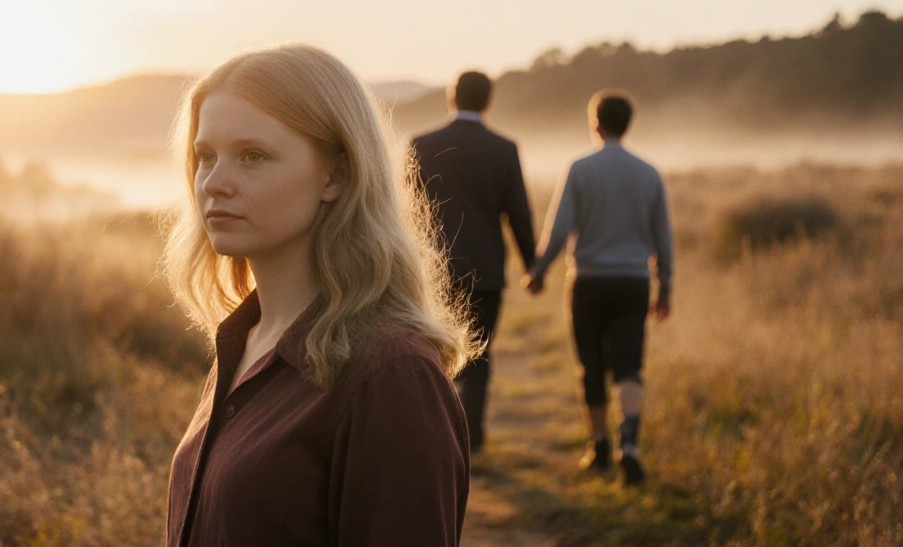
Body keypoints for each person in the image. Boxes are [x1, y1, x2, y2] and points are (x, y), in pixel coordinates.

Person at [162, 44, 480, 547]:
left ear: (336, 174)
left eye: (253, 156)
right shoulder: (245, 339)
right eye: (205, 157)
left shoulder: (390, 374)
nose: (214, 183)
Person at [524, 88, 673, 487]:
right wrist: (666, 289)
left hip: (588, 281)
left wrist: (538, 271)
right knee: (628, 365)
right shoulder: (649, 172)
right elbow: (664, 237)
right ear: (628, 124)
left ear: (595, 122)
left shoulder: (580, 167)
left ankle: (598, 446)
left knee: (590, 366)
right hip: (633, 283)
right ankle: (630, 442)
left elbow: (559, 227)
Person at [412, 71, 537, 453]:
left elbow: (404, 211)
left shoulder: (421, 144)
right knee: (479, 354)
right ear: (488, 101)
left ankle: (437, 432)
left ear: (452, 98)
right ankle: (472, 435)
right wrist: (533, 266)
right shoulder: (504, 149)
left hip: (433, 271)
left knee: (432, 354)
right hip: (485, 269)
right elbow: (518, 213)